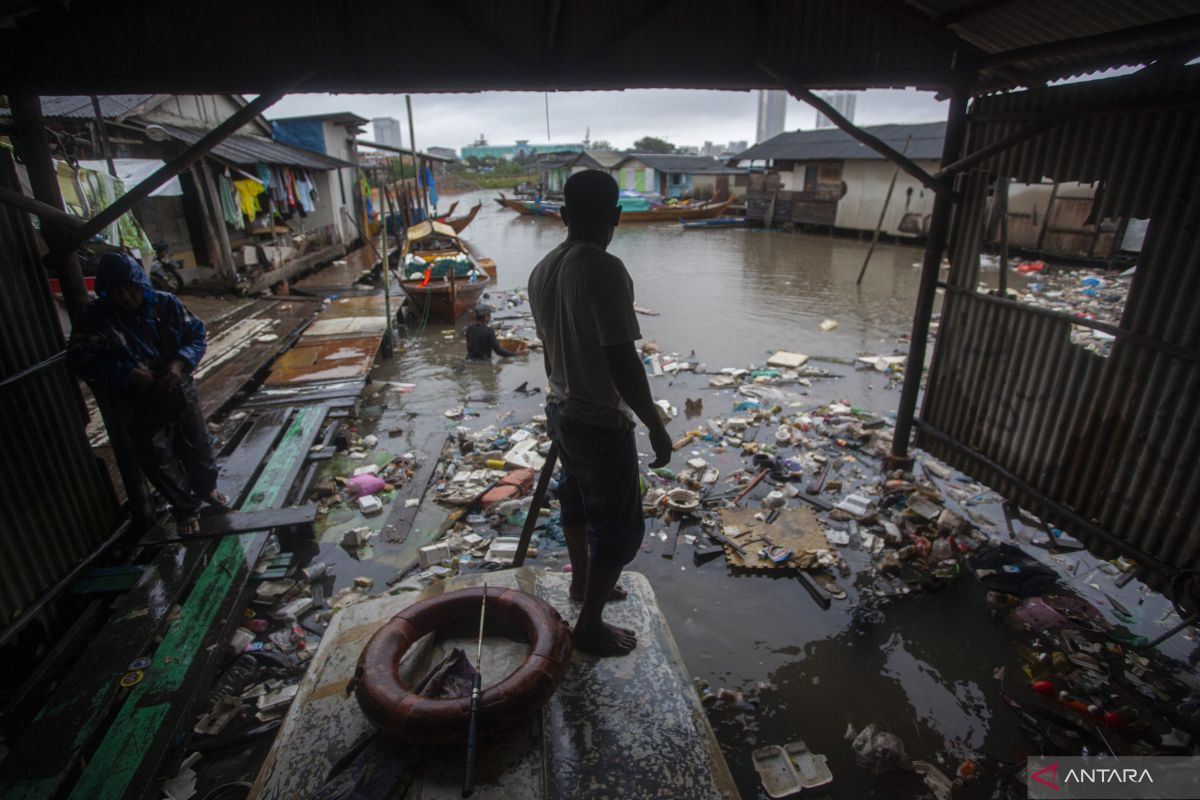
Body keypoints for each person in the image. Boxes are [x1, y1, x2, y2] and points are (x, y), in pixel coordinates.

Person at [528, 170, 672, 657]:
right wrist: (655, 425)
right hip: (596, 421)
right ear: (617, 216)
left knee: (575, 498)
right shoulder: (605, 270)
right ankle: (588, 625)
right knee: (621, 528)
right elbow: (622, 360)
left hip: (560, 409)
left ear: (564, 216)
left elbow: (556, 348)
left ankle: (581, 584)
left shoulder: (542, 268)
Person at [67, 252, 223, 534]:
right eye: (118, 291)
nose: (127, 296)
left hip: (176, 383)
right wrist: (127, 374)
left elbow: (197, 335)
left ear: (142, 285)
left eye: (132, 289)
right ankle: (185, 508)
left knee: (196, 440)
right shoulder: (95, 318)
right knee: (156, 454)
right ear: (107, 292)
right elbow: (80, 359)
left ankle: (207, 489)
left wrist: (179, 362)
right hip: (133, 395)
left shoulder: (166, 304)